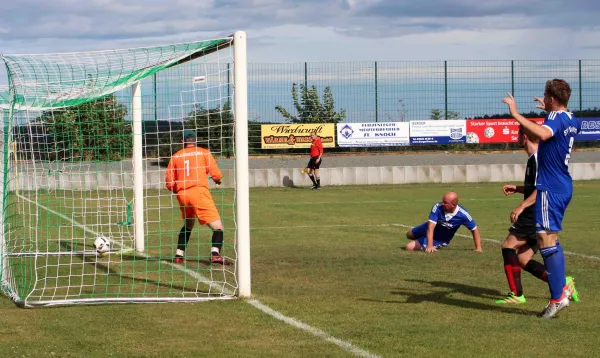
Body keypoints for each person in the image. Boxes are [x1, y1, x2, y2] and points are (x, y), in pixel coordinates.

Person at [502, 79, 581, 318]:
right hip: (563, 185)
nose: (543, 99)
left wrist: (515, 113)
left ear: (553, 99)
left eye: (546, 96)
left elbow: (544, 133)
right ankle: (561, 291)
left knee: (546, 241)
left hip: (550, 187)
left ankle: (558, 296)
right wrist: (548, 110)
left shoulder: (555, 119)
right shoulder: (571, 118)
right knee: (550, 239)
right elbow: (554, 126)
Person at [165, 130, 228, 265]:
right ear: (195, 140)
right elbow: (216, 174)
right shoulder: (204, 152)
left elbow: (169, 183)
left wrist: (179, 190)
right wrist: (218, 180)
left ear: (182, 141)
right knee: (218, 227)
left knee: (188, 224)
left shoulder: (175, 156)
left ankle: (179, 255)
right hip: (198, 192)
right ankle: (215, 254)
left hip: (182, 195)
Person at [404, 192, 482, 253]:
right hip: (427, 228)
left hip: (439, 238)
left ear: (453, 205)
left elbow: (474, 229)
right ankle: (424, 240)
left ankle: (427, 241)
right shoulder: (437, 207)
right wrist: (429, 245)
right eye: (442, 201)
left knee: (409, 247)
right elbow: (430, 227)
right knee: (409, 234)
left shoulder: (463, 215)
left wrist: (478, 248)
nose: (442, 204)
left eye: (445, 202)